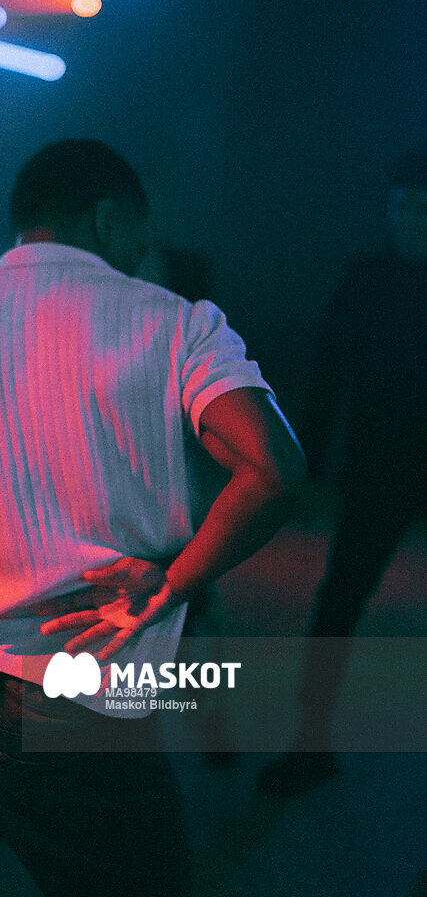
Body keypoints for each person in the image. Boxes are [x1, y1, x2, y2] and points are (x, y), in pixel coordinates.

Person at [0, 139, 306, 897]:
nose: (143, 252)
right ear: (107, 219)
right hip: (77, 694)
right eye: (141, 230)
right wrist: (170, 583)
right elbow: (273, 471)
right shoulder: (178, 324)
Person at [257, 151, 427, 798]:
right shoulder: (368, 277)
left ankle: (309, 744)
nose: (407, 219)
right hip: (379, 465)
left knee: (340, 599)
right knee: (339, 599)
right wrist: (311, 467)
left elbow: (330, 373)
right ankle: (309, 741)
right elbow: (328, 372)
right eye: (401, 206)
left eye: (418, 207)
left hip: (379, 463)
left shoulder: (370, 277)